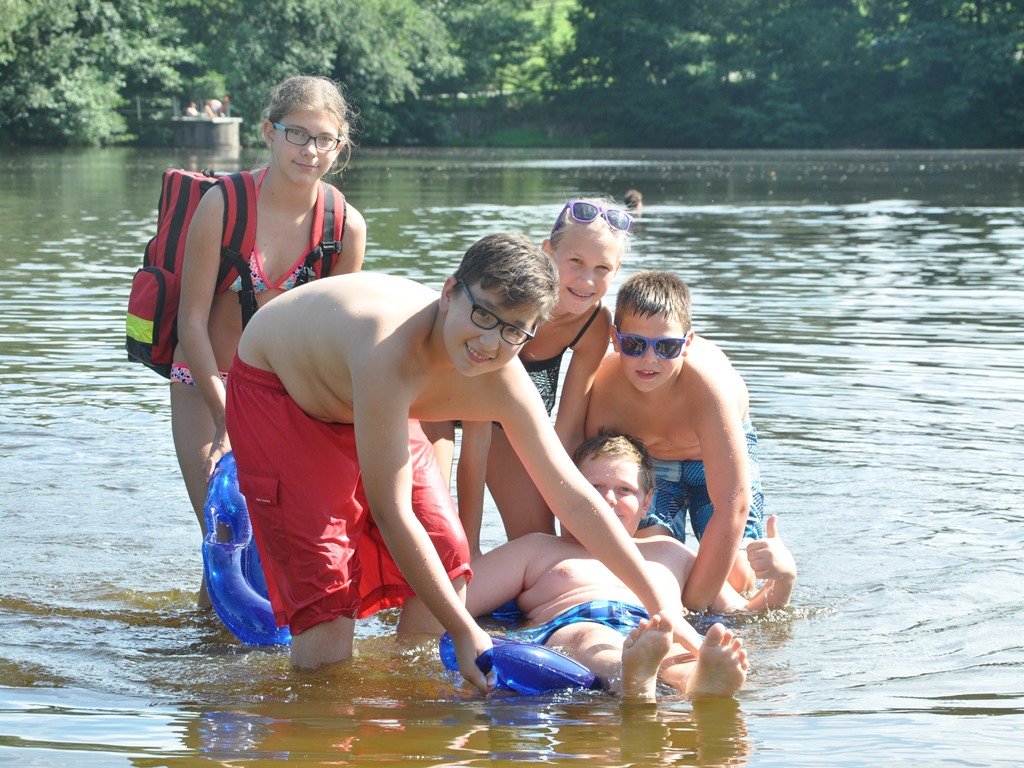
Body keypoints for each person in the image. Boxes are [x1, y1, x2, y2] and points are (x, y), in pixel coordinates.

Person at [223, 232, 687, 693]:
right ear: (449, 293)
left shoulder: (503, 378)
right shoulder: (389, 351)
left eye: (513, 331)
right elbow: (392, 512)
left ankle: (408, 686)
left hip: (367, 396)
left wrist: (665, 611)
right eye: (483, 314)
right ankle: (321, 704)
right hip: (284, 393)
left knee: (448, 551)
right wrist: (465, 629)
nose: (489, 342)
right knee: (326, 591)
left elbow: (573, 497)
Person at [175, 75, 366, 608]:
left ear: (340, 145)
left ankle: (234, 642)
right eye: (296, 134)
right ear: (268, 132)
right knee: (225, 533)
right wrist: (226, 419)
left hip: (284, 396)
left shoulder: (345, 227)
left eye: (324, 139)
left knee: (272, 549)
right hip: (206, 382)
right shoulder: (222, 205)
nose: (310, 150)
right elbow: (190, 321)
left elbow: (334, 342)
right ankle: (204, 646)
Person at [461, 432, 796, 701]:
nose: (608, 499)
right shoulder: (538, 549)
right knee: (589, 637)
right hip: (575, 623)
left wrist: (782, 579)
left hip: (654, 628)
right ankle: (629, 676)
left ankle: (697, 682)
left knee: (675, 646)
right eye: (593, 488)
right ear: (567, 494)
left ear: (647, 501)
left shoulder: (670, 552)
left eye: (624, 490)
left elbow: (745, 614)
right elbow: (458, 601)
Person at [425, 197, 632, 556]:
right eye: (575, 261)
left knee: (540, 541)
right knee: (435, 528)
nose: (587, 280)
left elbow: (567, 431)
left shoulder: (594, 323)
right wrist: (470, 550)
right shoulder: (511, 306)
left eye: (602, 268)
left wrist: (576, 526)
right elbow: (475, 438)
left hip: (500, 424)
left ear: (617, 269)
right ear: (548, 251)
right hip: (435, 402)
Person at [585, 270, 774, 611]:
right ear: (615, 339)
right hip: (652, 462)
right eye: (634, 344)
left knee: (739, 577)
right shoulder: (604, 387)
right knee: (653, 562)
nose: (649, 359)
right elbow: (591, 484)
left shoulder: (708, 389)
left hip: (712, 461)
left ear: (686, 343)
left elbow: (733, 505)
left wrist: (694, 608)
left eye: (666, 347)